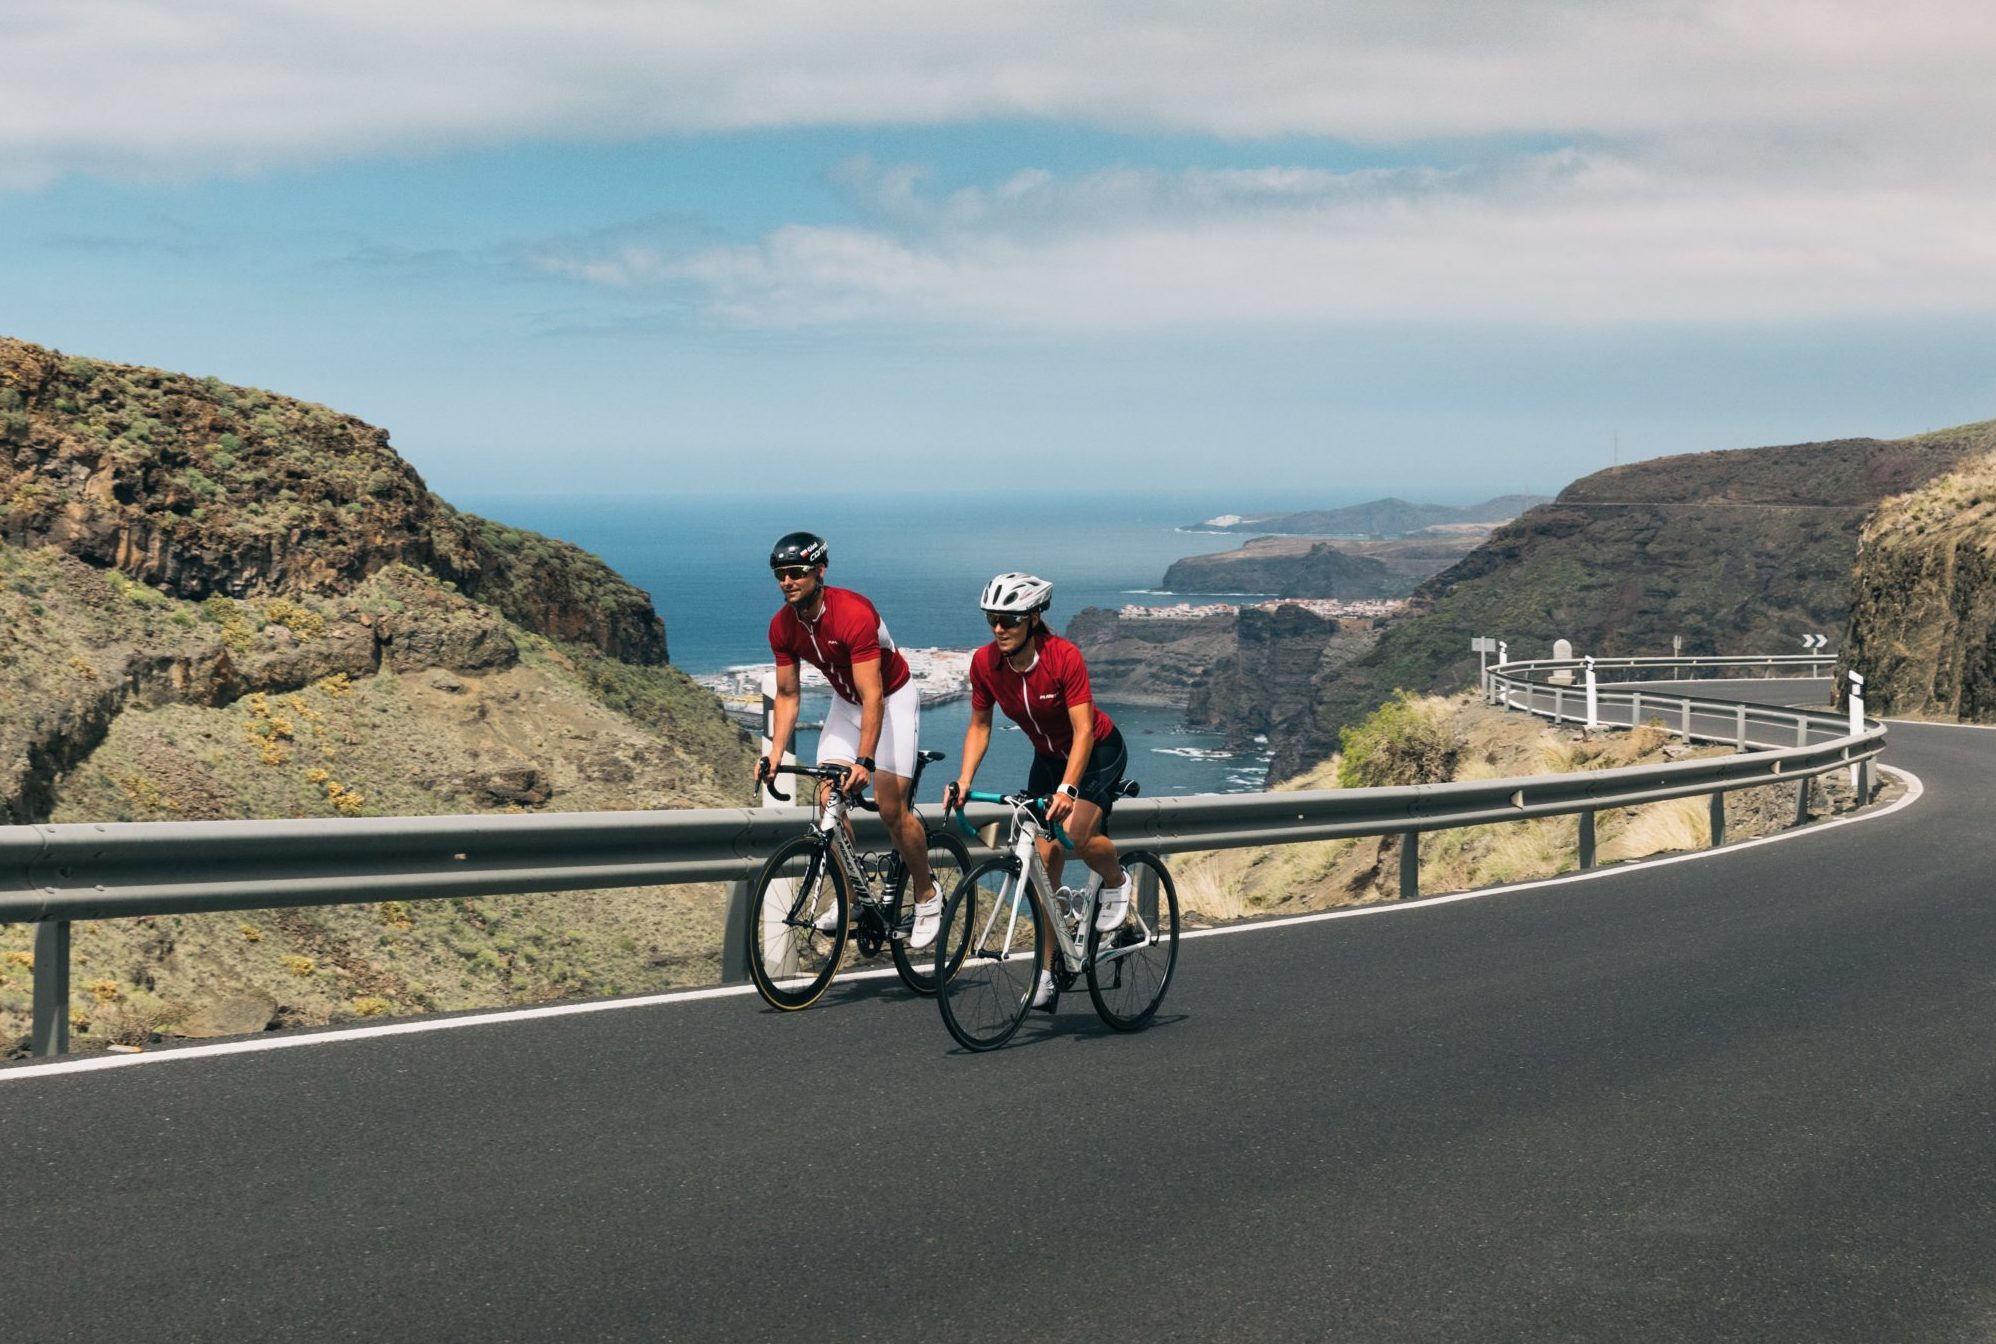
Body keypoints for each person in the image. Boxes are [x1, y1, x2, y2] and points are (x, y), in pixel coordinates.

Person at [946, 572, 1130, 1008]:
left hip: (1097, 751)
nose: (999, 628)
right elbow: (979, 725)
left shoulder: (1063, 656)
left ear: (1031, 618)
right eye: (992, 618)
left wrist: (1068, 789)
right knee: (1044, 861)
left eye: (1008, 619)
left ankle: (1117, 879)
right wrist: (965, 780)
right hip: (1047, 757)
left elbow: (1084, 731)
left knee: (1079, 833)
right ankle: (1048, 972)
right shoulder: (985, 664)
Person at [758, 532, 942, 948]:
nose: (787, 581)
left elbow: (874, 695)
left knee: (892, 809)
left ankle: (928, 894)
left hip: (890, 699)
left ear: (820, 571)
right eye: (780, 575)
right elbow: (787, 695)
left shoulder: (853, 614)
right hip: (846, 704)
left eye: (796, 573)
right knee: (828, 800)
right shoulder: (782, 626)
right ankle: (853, 894)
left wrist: (864, 760)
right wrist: (774, 754)